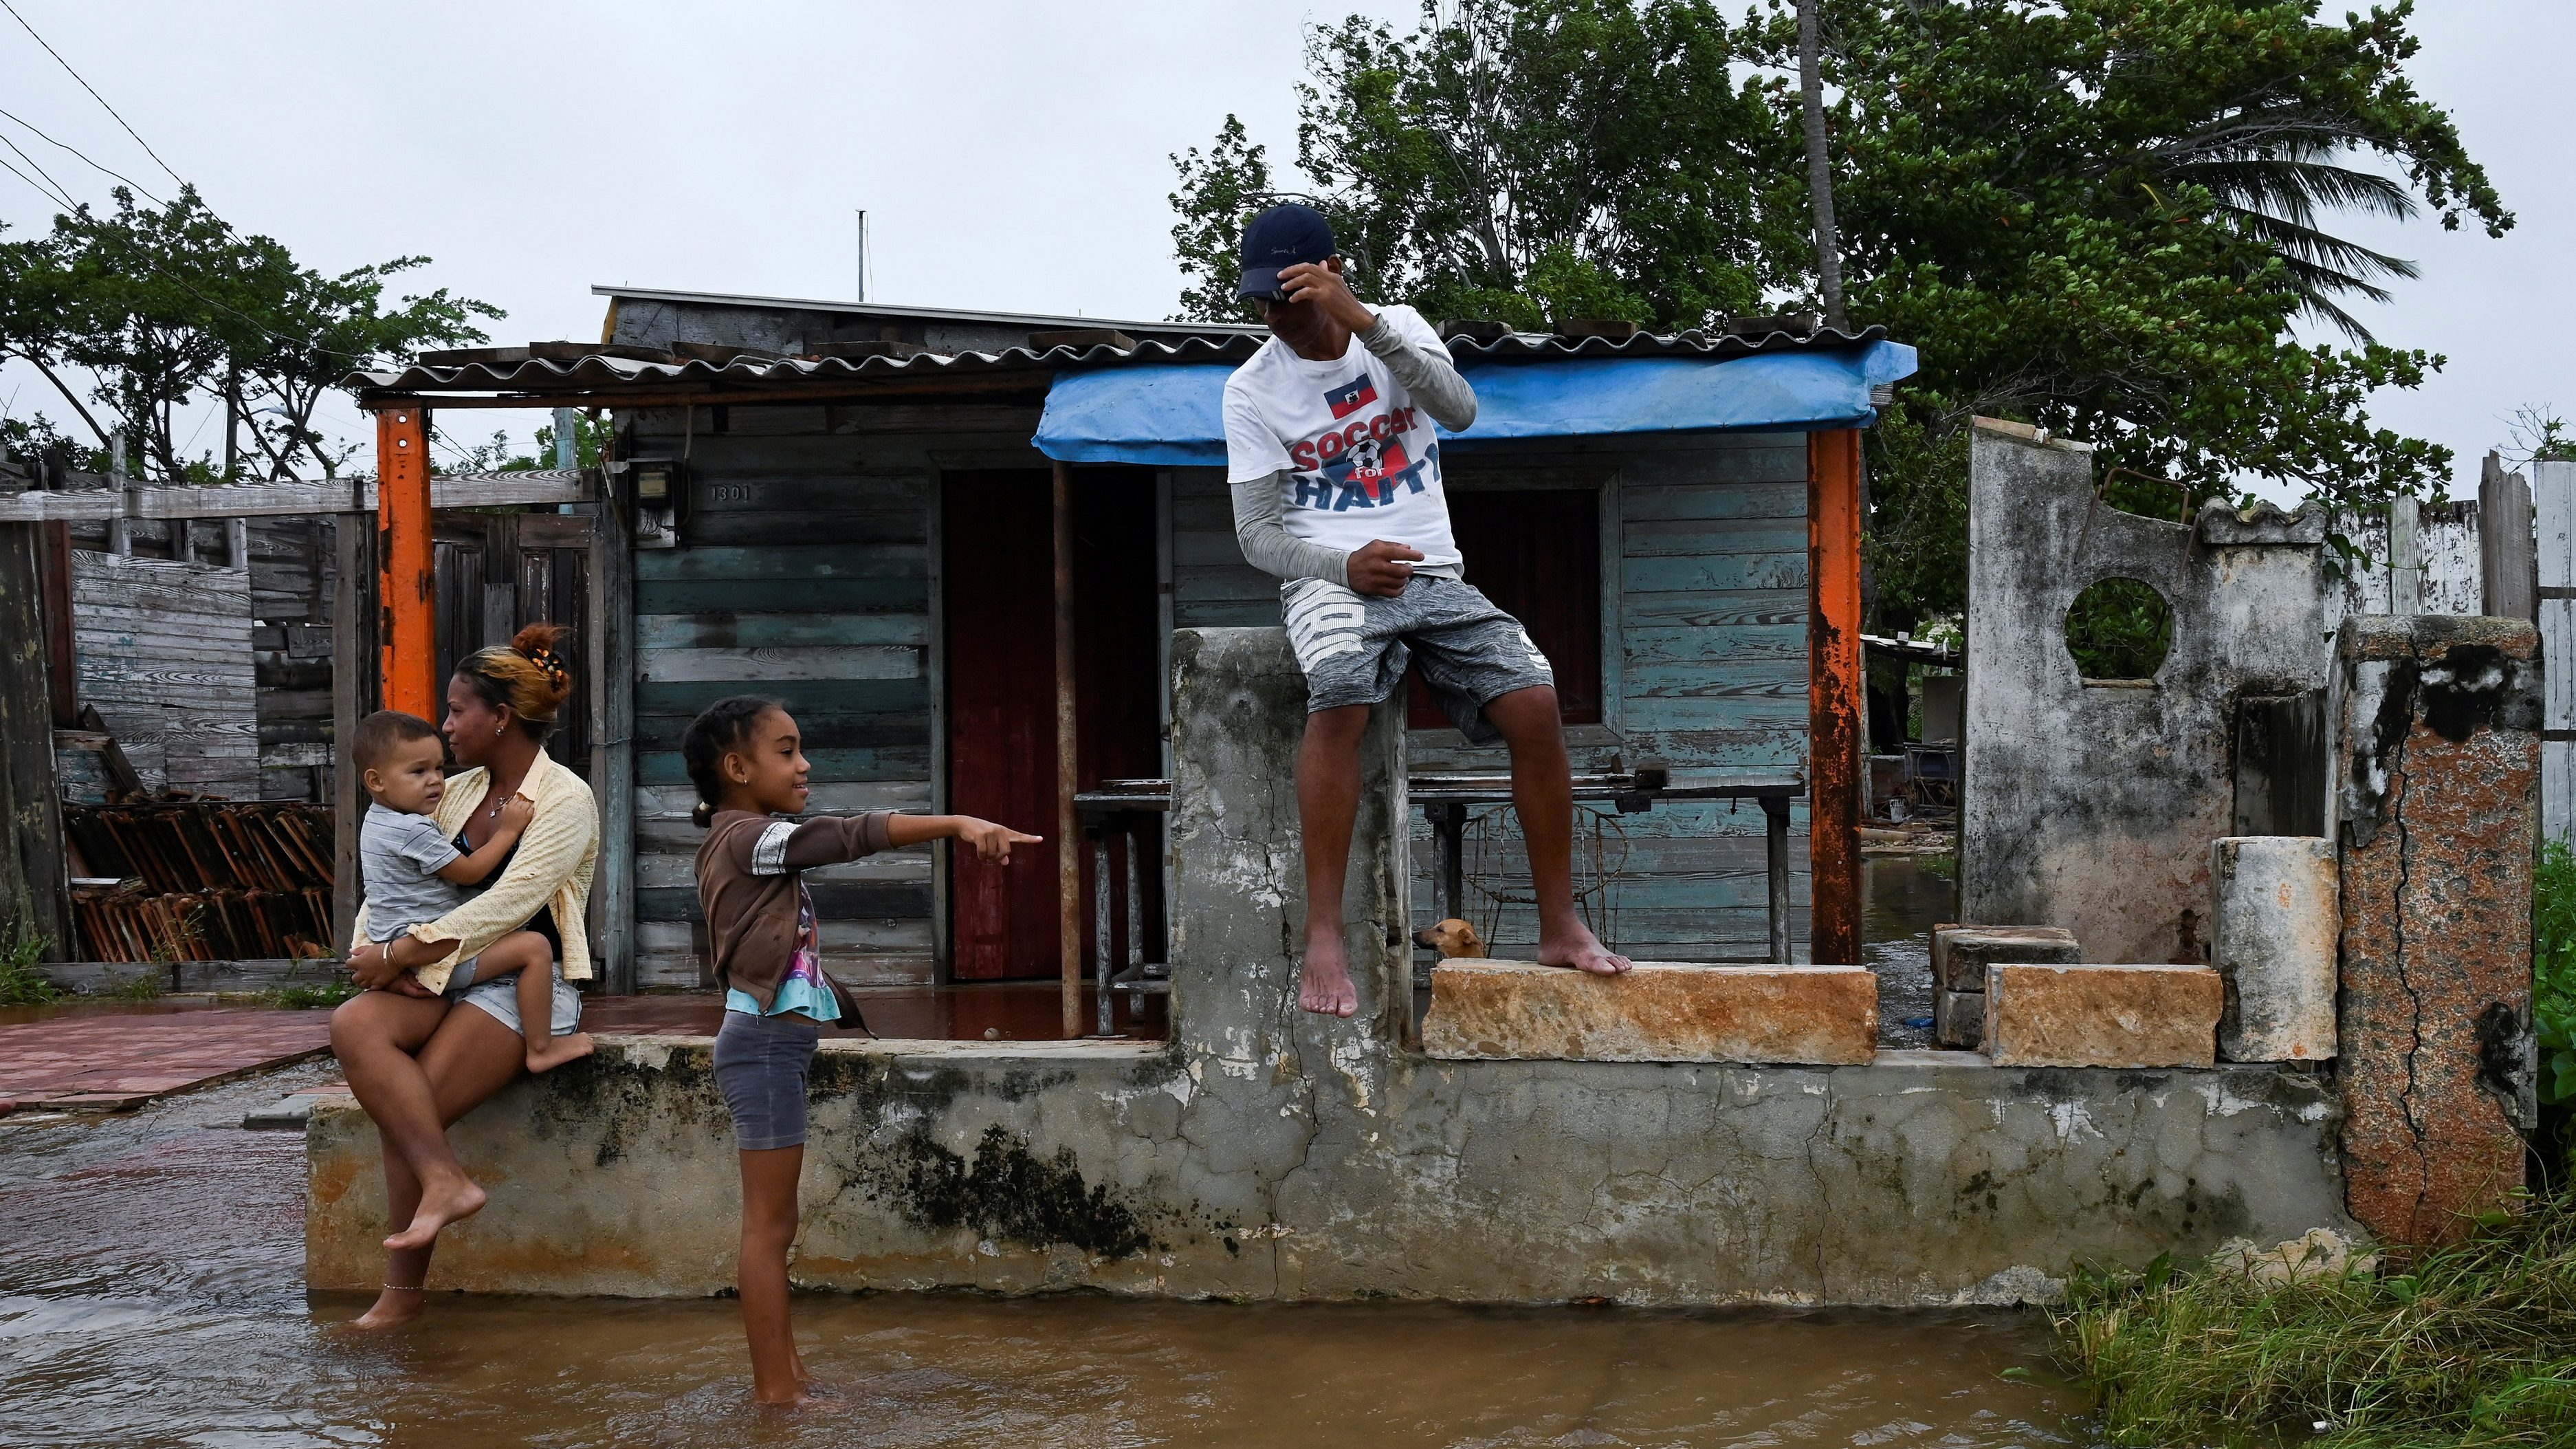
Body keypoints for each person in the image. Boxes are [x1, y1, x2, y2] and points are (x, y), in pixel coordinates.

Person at [1222, 202, 1631, 1016]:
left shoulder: (1397, 328)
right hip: (1330, 579)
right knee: (1339, 695)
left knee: (1536, 697)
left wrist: (1365, 325)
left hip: (1435, 573)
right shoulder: (1250, 389)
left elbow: (1459, 410)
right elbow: (1256, 536)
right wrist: (1344, 563)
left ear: (1331, 277)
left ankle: (1558, 924)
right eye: (1263, 301)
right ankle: (1326, 939)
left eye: (1292, 297)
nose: (1277, 317)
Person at [683, 695, 1038, 1407]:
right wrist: (959, 822)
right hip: (760, 1047)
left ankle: (793, 1375)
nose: (804, 762)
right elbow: (845, 835)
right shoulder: (746, 838)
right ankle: (777, 1394)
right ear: (736, 766)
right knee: (767, 1228)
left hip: (771, 1046)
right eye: (785, 750)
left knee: (774, 1227)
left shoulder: (748, 839)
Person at [328, 624, 599, 1329]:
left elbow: (507, 905)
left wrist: (398, 957)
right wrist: (374, 956)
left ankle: (402, 1294)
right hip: (447, 968)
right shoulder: (454, 790)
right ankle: (444, 1182)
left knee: (408, 1116)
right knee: (354, 1023)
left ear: (500, 717)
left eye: (457, 711)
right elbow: (394, 884)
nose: (446, 729)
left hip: (522, 979)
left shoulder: (564, 799)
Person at [350, 708, 595, 1078]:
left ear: (502, 717)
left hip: (426, 951)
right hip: (437, 951)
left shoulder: (564, 798)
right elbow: (469, 873)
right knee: (534, 948)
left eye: (437, 769)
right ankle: (540, 1048)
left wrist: (388, 954)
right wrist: (509, 831)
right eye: (419, 772)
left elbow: (511, 898)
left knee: (420, 1089)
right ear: (376, 780)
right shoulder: (430, 813)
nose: (435, 780)